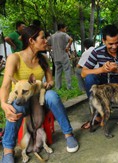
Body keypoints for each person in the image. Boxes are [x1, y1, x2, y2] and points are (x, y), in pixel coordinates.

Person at [0, 25, 79, 163]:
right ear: (31, 40)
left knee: (52, 96)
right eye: (42, 38)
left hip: (40, 101)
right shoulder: (15, 58)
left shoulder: (43, 59)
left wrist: (49, 84)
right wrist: (3, 104)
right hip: (22, 101)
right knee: (15, 108)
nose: (46, 41)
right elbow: (6, 85)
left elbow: (50, 81)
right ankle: (8, 151)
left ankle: (69, 134)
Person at [80, 24, 118, 129]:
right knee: (89, 78)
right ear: (104, 41)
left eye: (117, 42)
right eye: (110, 44)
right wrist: (102, 69)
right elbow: (83, 72)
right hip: (104, 82)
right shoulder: (96, 51)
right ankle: (98, 114)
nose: (114, 46)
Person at [47, 23, 73, 90]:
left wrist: (52, 48)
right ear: (62, 28)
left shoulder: (52, 36)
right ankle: (69, 87)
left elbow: (47, 43)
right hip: (63, 55)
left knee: (57, 72)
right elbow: (71, 39)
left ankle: (58, 87)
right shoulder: (63, 34)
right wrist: (67, 47)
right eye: (65, 28)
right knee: (67, 70)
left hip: (56, 56)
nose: (65, 30)